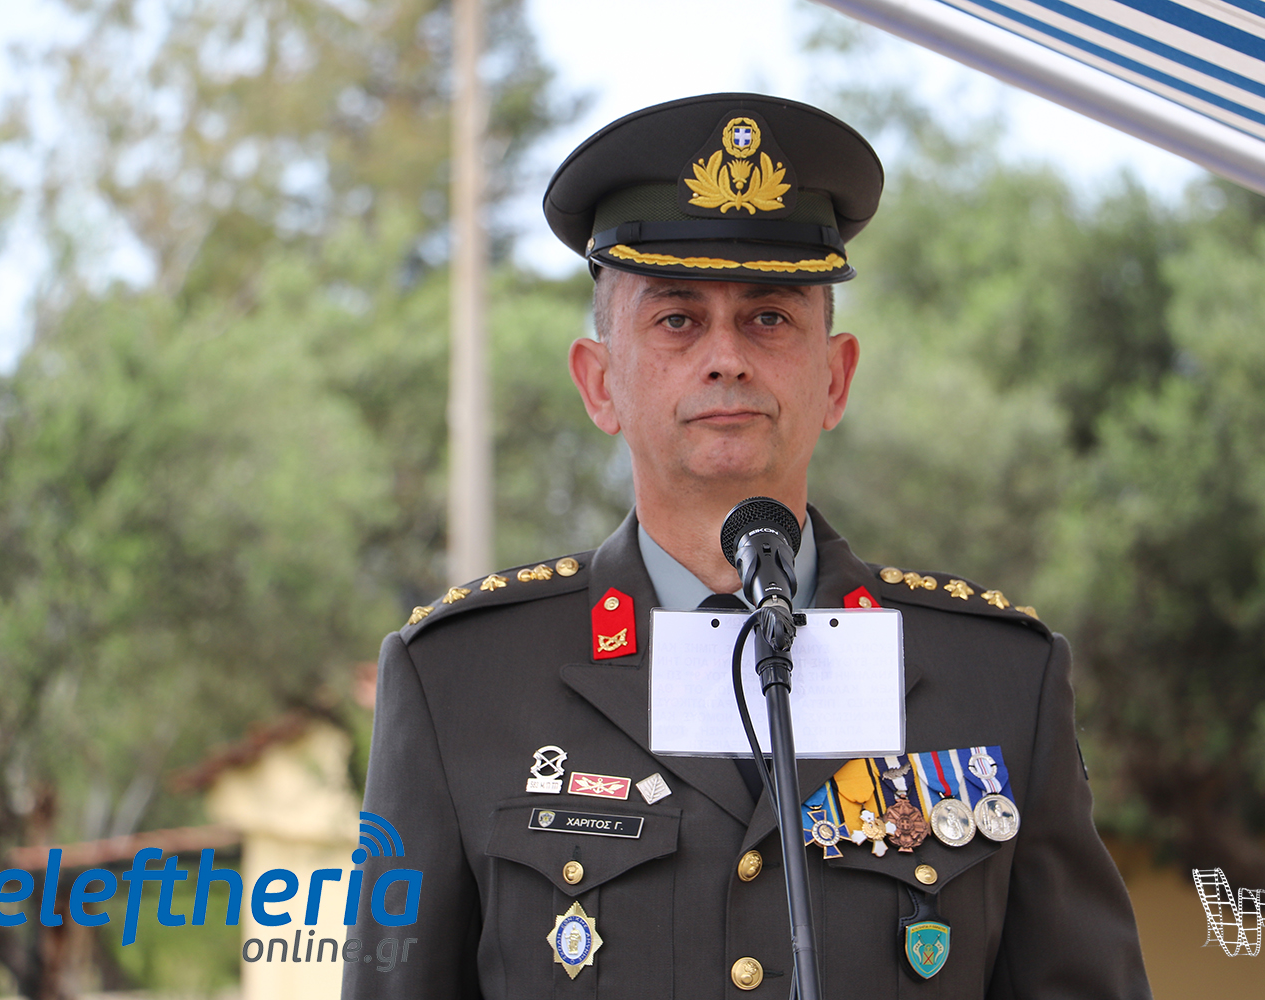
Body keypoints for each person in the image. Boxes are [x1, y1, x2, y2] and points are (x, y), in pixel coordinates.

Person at [343, 93, 1151, 999]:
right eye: (677, 320)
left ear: (836, 378)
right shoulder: (461, 682)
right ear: (599, 383)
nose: (726, 356)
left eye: (769, 318)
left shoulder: (997, 681)